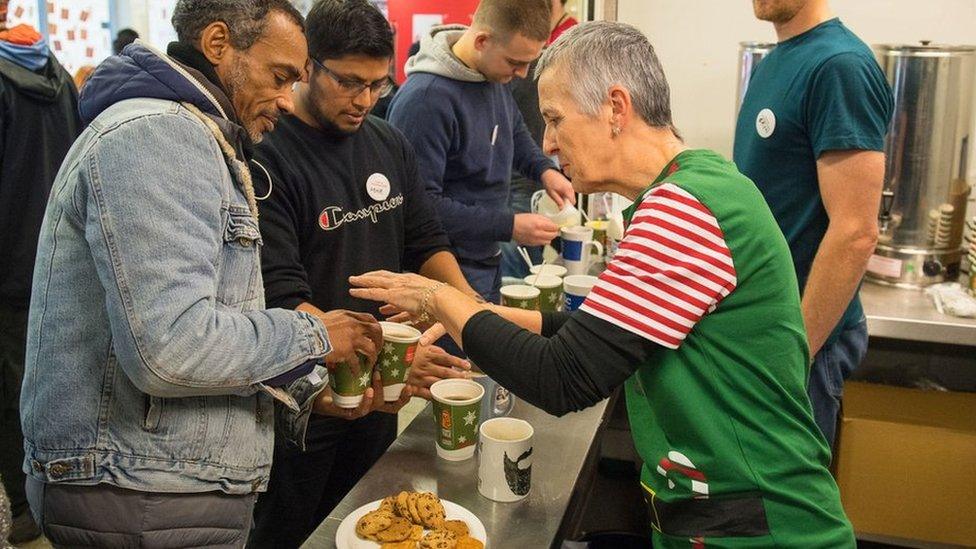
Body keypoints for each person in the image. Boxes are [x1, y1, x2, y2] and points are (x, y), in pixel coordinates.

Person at [351, 22, 856, 548]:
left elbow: (562, 378)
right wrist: (477, 310)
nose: (546, 143)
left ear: (616, 107)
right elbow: (596, 330)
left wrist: (440, 296)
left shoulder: (682, 211)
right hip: (722, 519)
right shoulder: (697, 185)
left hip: (759, 527)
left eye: (553, 119)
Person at [20, 1, 382, 545]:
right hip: (143, 490)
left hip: (161, 483)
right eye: (280, 76)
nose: (287, 100)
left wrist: (302, 388)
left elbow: (215, 323)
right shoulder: (158, 135)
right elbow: (169, 349)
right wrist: (313, 337)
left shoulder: (197, 135)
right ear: (218, 44)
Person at [247, 1, 472, 546]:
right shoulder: (267, 154)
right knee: (293, 531)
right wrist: (360, 374)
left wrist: (476, 316)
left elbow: (425, 242)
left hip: (383, 390)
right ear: (308, 66)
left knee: (371, 528)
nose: (365, 100)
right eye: (349, 82)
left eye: (378, 85)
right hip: (305, 399)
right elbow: (280, 292)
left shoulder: (387, 142)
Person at [734, 0, 893, 448]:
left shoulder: (839, 66)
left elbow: (856, 232)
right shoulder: (774, 63)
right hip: (766, 334)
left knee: (786, 508)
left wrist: (793, 354)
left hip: (804, 347)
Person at [387, 0, 575, 303]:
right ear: (482, 41)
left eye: (529, 63)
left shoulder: (492, 75)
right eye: (515, 63)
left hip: (486, 257)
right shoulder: (425, 100)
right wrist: (509, 225)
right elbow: (420, 207)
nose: (523, 74)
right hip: (442, 270)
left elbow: (514, 132)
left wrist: (545, 170)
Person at [0, 1, 81, 542]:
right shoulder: (59, 74)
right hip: (56, 264)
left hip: (5, 269)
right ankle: (49, 495)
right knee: (51, 384)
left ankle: (24, 507)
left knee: (9, 395)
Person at [501, 0, 579, 280]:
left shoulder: (569, 41)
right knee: (517, 244)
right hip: (526, 161)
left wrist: (546, 168)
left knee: (526, 244)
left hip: (534, 161)